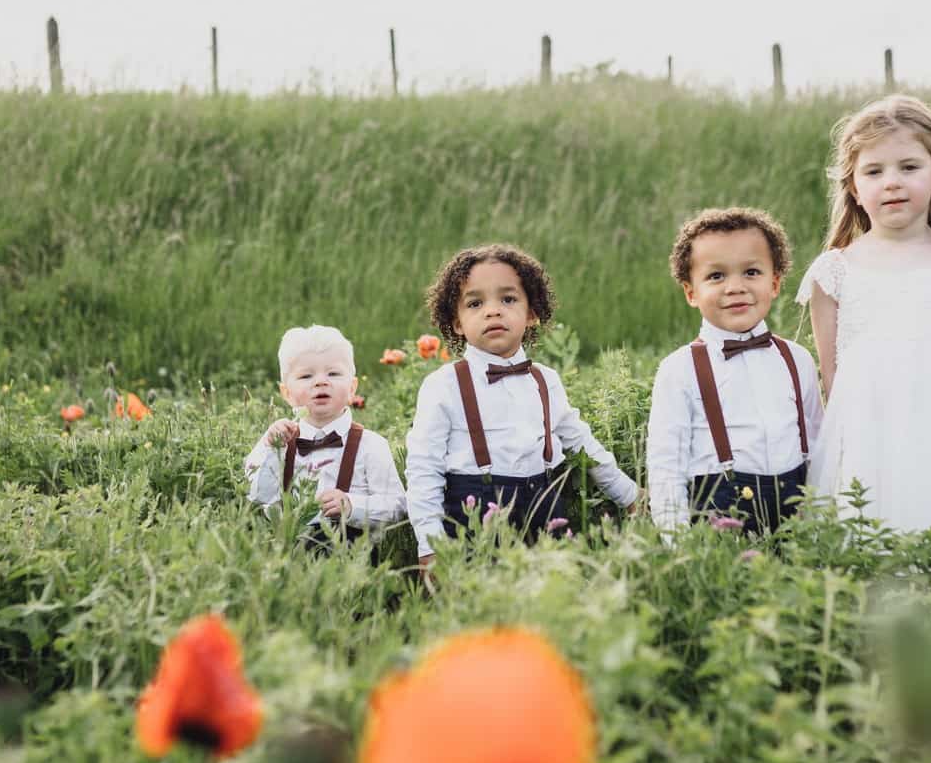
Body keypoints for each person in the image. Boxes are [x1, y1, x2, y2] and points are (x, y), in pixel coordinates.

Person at [796, 94, 931, 530]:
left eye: (909, 167)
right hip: (867, 441)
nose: (891, 182)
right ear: (855, 189)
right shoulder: (834, 272)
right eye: (874, 171)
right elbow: (832, 378)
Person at [406, 244, 640, 573]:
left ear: (531, 313)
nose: (492, 311)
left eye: (508, 299)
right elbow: (423, 469)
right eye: (475, 303)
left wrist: (628, 494)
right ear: (456, 322)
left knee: (554, 596)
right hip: (476, 514)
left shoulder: (546, 380)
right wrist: (430, 546)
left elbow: (580, 442)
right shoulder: (444, 385)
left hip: (546, 506)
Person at [647, 207, 823, 537]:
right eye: (716, 276)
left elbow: (817, 447)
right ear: (691, 292)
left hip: (799, 519)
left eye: (751, 272)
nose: (735, 287)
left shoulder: (797, 359)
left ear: (774, 283)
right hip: (719, 522)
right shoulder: (679, 369)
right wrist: (679, 544)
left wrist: (820, 524)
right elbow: (666, 467)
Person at [244, 325, 407, 552]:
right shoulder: (277, 441)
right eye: (306, 376)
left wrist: (352, 506)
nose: (321, 382)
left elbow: (397, 505)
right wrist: (271, 450)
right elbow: (257, 496)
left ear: (352, 388)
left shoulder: (371, 445)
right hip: (288, 553)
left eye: (333, 373)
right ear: (287, 393)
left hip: (352, 558)